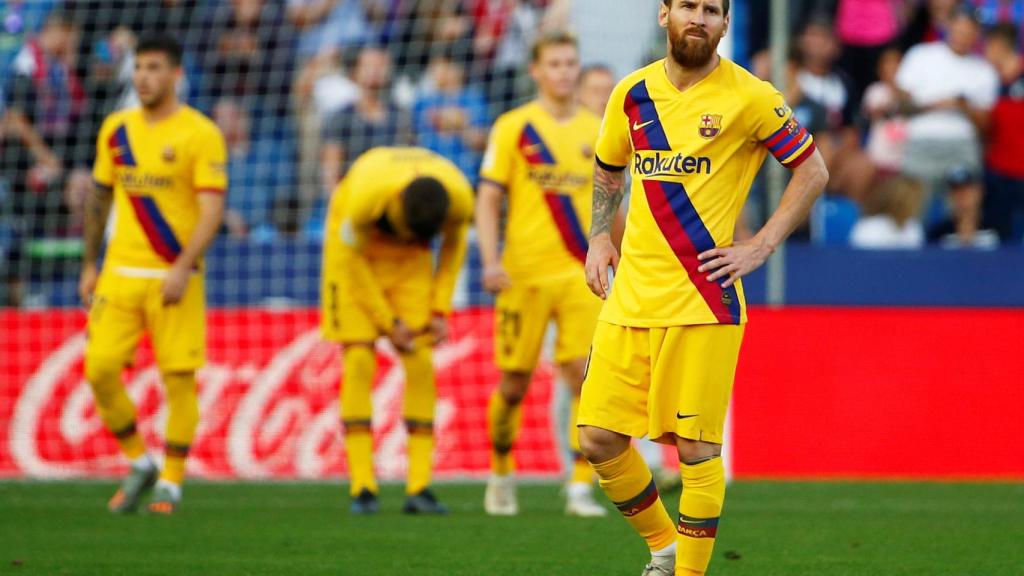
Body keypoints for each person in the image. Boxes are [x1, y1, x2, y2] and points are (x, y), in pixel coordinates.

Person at [580, 1, 829, 574]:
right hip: (631, 297)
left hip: (703, 297)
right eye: (688, 6)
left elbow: (812, 169)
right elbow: (607, 167)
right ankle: (664, 548)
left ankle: (687, 573)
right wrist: (599, 237)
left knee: (695, 451)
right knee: (597, 438)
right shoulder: (631, 93)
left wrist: (762, 245)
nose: (699, 17)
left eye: (711, 9)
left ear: (724, 24)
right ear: (664, 15)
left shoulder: (752, 96)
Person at [79, 32, 227, 515]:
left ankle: (171, 481)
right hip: (119, 272)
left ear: (177, 74)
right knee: (99, 370)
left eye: (155, 67)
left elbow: (211, 210)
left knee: (178, 380)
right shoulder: (116, 131)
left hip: (173, 275)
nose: (144, 76)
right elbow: (99, 198)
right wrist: (88, 264)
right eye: (139, 67)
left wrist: (183, 266)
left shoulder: (200, 134)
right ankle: (138, 460)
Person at [476, 31, 610, 519]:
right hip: (522, 275)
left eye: (570, 63)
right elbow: (489, 196)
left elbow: (615, 200)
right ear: (536, 70)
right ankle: (500, 471)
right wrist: (490, 260)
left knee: (583, 378)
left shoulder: (598, 128)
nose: (564, 71)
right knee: (514, 383)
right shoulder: (514, 128)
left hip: (579, 273)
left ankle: (578, 486)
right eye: (554, 63)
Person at [320, 146, 473, 515]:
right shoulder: (364, 199)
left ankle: (419, 488)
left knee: (420, 361)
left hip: (409, 267)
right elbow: (350, 259)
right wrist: (389, 324)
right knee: (358, 360)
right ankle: (362, 488)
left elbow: (453, 248)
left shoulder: (459, 200)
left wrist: (439, 310)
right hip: (354, 259)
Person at [896, 6, 999, 215]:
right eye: (960, 30)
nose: (963, 37)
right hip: (921, 142)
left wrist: (963, 106)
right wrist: (935, 105)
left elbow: (986, 126)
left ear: (977, 35)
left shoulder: (984, 70)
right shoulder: (920, 55)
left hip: (961, 145)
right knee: (911, 208)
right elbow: (900, 105)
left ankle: (963, 242)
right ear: (948, 26)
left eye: (970, 32)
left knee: (965, 204)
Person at [982, 23, 1024, 243]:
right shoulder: (988, 81)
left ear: (999, 46)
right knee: (1001, 240)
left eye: (987, 46)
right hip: (998, 173)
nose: (984, 52)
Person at [927, 165, 999, 248]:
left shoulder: (997, 228)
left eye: (965, 190)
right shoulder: (938, 233)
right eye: (954, 191)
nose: (960, 196)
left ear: (979, 192)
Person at [850, 175, 925, 249]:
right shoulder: (871, 227)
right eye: (915, 200)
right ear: (900, 202)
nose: (919, 205)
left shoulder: (913, 226)